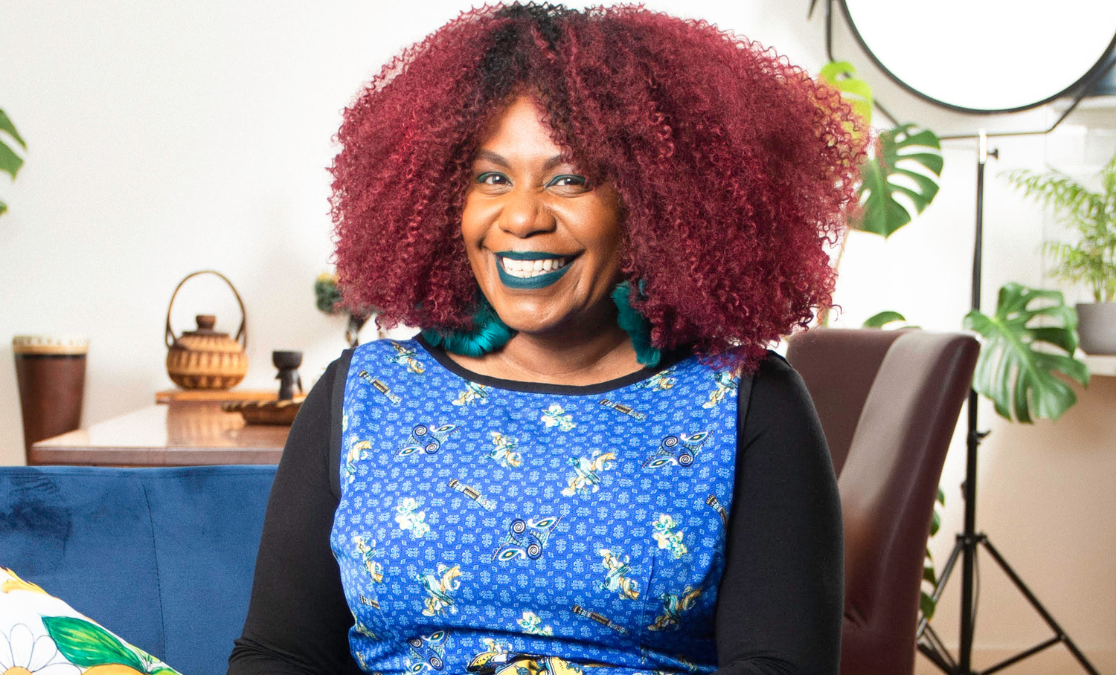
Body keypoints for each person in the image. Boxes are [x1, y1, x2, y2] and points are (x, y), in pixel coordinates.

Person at [228, 4, 863, 674]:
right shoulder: (362, 394)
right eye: (491, 177)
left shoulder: (745, 405)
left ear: (650, 202)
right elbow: (281, 652)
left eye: (569, 179)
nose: (524, 215)